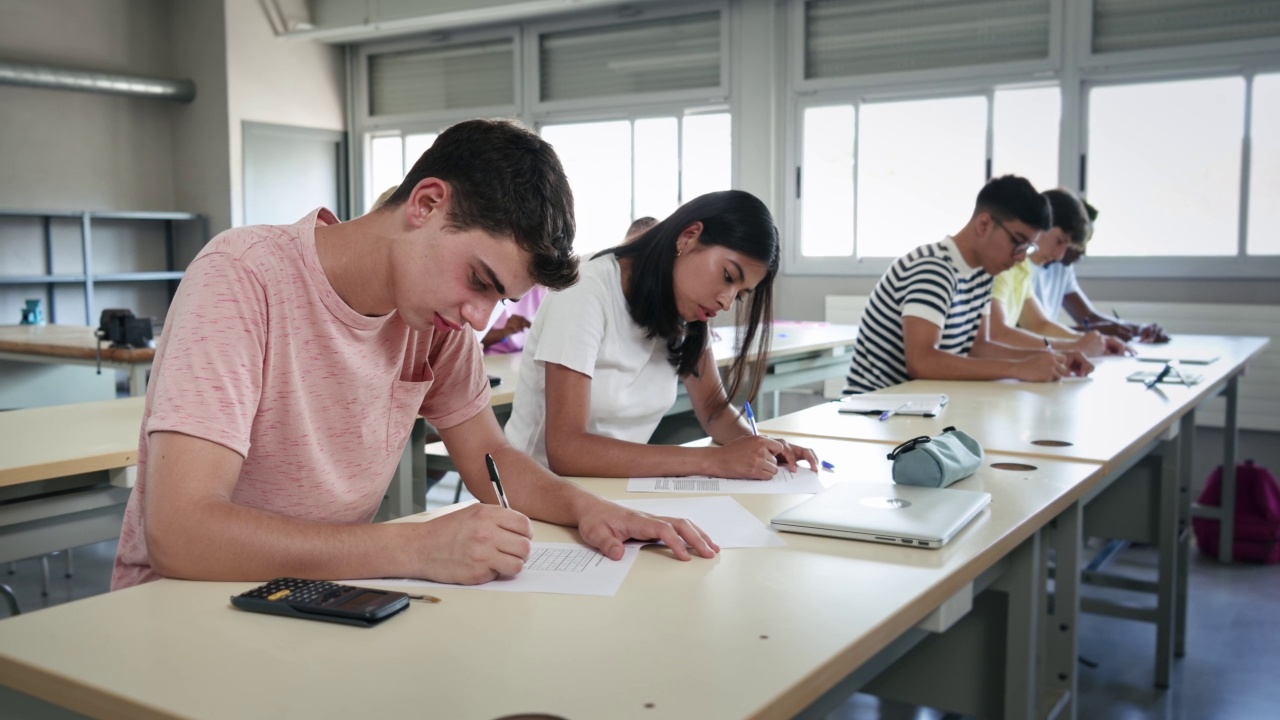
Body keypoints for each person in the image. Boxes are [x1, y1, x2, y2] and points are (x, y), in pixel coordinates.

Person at [111, 119, 718, 591]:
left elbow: (493, 458)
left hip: (320, 597)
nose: (480, 318)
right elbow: (181, 533)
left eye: (501, 299)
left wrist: (590, 510)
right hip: (188, 609)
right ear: (426, 204)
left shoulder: (436, 322)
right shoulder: (243, 277)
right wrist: (415, 549)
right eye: (480, 281)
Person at [504, 191, 818, 480]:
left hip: (612, 492)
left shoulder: (687, 309)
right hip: (537, 495)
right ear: (689, 236)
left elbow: (714, 411)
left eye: (739, 294)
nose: (726, 301)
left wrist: (761, 447)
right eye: (727, 276)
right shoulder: (585, 289)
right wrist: (713, 460)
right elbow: (568, 451)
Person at [844, 175, 1093, 395]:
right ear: (984, 224)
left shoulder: (982, 273)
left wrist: (1049, 359)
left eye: (1027, 247)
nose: (1020, 258)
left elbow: (979, 347)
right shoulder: (934, 267)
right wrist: (1019, 367)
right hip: (875, 411)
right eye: (1018, 243)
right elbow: (922, 361)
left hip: (917, 406)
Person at [987, 188, 1129, 356]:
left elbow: (1040, 324)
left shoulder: (1022, 267)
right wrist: (1073, 347)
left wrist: (1090, 341)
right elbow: (996, 334)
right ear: (1042, 224)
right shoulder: (1000, 264)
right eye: (1059, 241)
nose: (1059, 255)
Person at [1034, 201, 1170, 343]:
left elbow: (1090, 317)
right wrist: (1093, 333)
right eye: (1079, 243)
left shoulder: (1063, 268)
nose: (1082, 251)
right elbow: (1034, 330)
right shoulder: (1028, 265)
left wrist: (1140, 329)